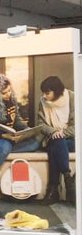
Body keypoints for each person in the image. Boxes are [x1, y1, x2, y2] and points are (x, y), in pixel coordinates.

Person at [0, 75, 41, 201]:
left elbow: (17, 123)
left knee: (35, 143)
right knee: (5, 145)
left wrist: (27, 131)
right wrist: (5, 136)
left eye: (9, 90)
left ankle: (2, 152)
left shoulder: (12, 101)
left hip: (7, 140)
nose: (8, 94)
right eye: (4, 93)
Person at [38, 76, 75, 204]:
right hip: (53, 138)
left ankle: (53, 190)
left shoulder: (72, 98)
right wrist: (53, 132)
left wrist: (62, 133)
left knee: (56, 145)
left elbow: (78, 125)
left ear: (57, 91)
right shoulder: (42, 102)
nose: (44, 96)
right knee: (56, 143)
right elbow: (41, 125)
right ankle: (67, 178)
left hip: (71, 139)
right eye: (43, 93)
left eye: (47, 93)